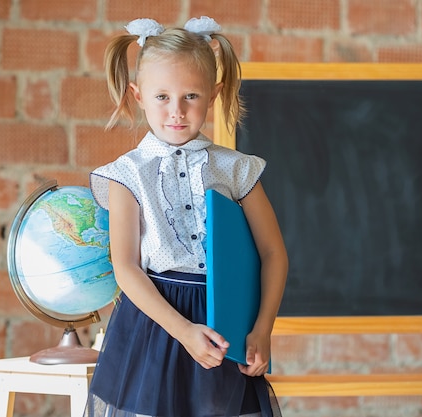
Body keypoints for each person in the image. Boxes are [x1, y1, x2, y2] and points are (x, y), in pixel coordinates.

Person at [85, 16, 288, 417]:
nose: (176, 111)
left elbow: (274, 254)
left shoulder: (237, 169)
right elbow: (125, 267)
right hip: (154, 326)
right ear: (138, 95)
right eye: (162, 97)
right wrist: (182, 332)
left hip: (223, 326)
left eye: (190, 96)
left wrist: (262, 329)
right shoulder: (126, 174)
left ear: (213, 95)